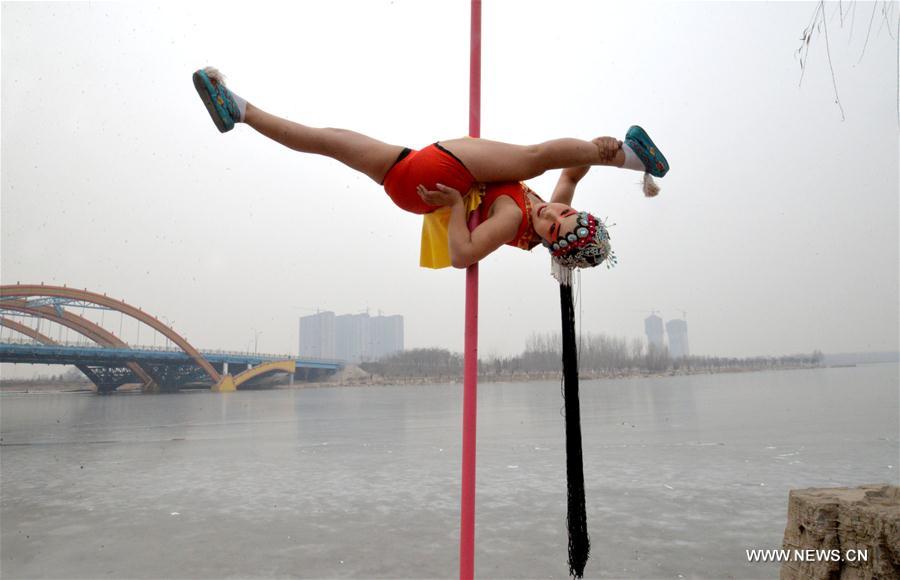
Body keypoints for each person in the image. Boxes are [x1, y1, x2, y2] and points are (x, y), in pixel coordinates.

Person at [192, 67, 669, 270]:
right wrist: (595, 154)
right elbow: (569, 174)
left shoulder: (509, 223)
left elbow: (461, 254)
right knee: (326, 141)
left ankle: (634, 158)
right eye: (562, 215)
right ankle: (239, 109)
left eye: (550, 225)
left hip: (441, 185)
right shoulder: (552, 212)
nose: (550, 215)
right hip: (412, 185)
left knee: (531, 158)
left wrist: (460, 204)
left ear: (546, 244)